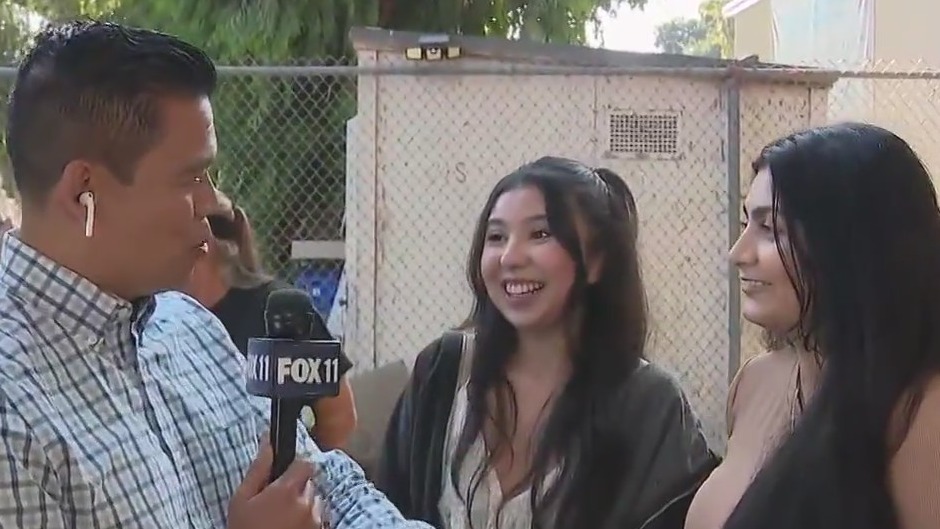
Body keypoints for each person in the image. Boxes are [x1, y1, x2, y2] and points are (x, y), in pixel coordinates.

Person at [0, 19, 433, 529]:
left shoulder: (190, 327)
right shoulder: (13, 408)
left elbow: (322, 481)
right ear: (83, 194)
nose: (213, 203)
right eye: (190, 178)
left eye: (211, 176)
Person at [376, 156, 719, 529]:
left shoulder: (651, 404)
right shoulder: (443, 371)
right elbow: (383, 510)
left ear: (598, 259)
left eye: (540, 234)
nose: (510, 257)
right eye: (496, 236)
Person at [683, 123, 940, 529]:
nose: (738, 253)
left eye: (770, 229)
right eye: (745, 223)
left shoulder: (921, 410)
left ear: (852, 246)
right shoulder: (756, 381)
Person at [186, 188, 357, 449]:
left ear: (203, 241)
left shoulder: (283, 310)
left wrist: (290, 470)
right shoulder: (158, 317)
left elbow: (338, 416)